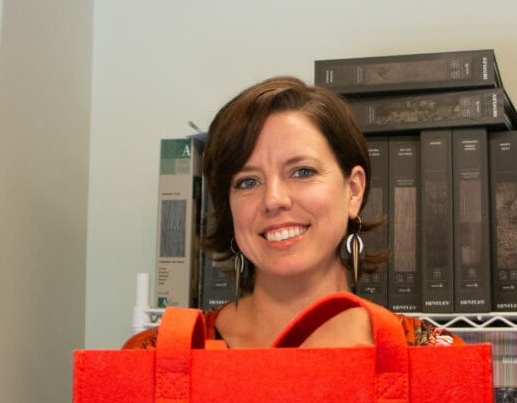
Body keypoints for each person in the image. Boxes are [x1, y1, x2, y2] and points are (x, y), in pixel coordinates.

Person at [124, 75, 454, 349]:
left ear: (353, 190)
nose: (274, 199)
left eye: (302, 172)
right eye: (247, 181)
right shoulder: (153, 354)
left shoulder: (432, 354)